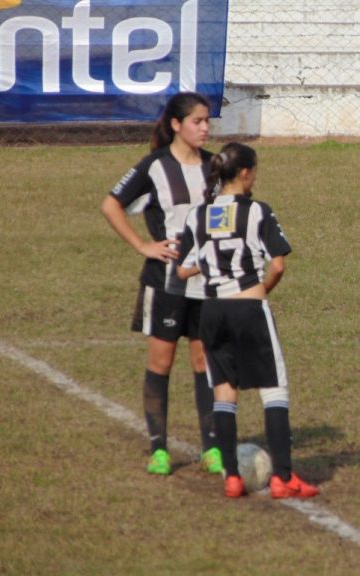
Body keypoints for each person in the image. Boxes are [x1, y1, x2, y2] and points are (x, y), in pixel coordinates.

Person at [176, 142, 319, 499]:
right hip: (248, 308)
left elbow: (182, 268)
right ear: (244, 173)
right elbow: (278, 264)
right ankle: (283, 478)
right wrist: (262, 289)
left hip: (212, 310)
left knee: (224, 394)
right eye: (254, 170)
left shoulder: (198, 215)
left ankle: (232, 478)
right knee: (275, 391)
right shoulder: (257, 211)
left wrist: (210, 265)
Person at [100, 92, 222, 476]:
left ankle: (212, 448)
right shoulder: (154, 167)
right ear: (175, 124)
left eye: (207, 121)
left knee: (204, 361)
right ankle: (159, 449)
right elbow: (111, 204)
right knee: (162, 362)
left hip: (207, 282)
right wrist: (143, 246)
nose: (205, 128)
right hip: (165, 282)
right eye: (197, 121)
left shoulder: (214, 166)